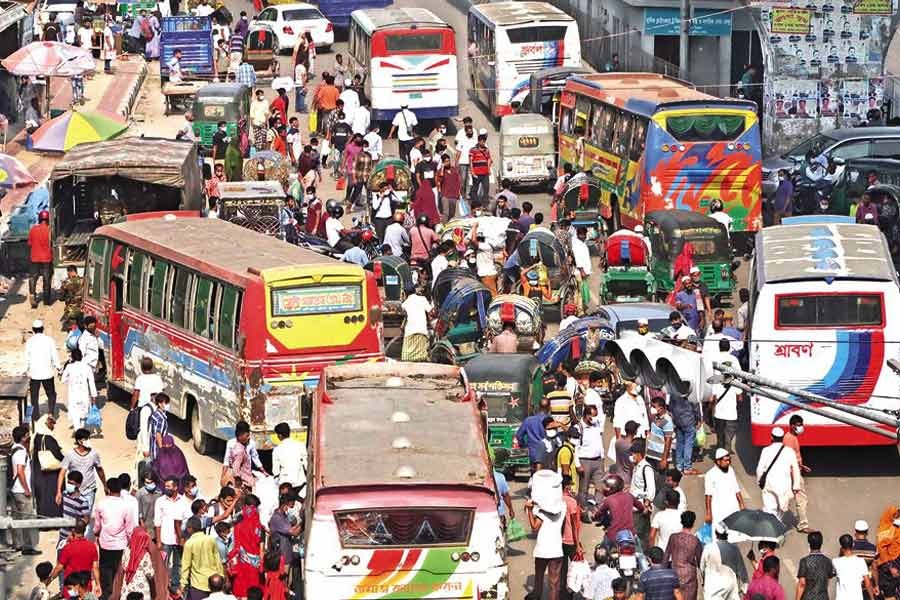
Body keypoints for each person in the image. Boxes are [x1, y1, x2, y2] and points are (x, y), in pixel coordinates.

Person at [94, 476, 137, 596]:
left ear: (108, 489)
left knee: (106, 571)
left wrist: (96, 534)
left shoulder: (101, 504)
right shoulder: (126, 506)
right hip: (121, 545)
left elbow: (97, 526)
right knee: (119, 573)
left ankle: (107, 595)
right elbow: (129, 528)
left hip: (105, 544)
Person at [524, 485, 565, 600]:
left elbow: (534, 527)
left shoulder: (542, 512)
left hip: (542, 549)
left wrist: (529, 510)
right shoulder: (562, 505)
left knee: (539, 580)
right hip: (556, 549)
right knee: (554, 583)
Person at [110, 526, 168, 600]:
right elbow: (150, 573)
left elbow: (123, 568)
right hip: (142, 589)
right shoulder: (145, 555)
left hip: (127, 589)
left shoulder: (127, 551)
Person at [57, 427, 106, 515]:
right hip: (74, 491)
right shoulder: (70, 455)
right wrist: (58, 491)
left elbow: (100, 470)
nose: (88, 441)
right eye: (86, 439)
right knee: (73, 515)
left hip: (89, 490)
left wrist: (105, 486)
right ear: (79, 441)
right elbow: (62, 473)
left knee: (86, 516)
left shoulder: (94, 454)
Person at [704, 339, 740, 454]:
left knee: (719, 429)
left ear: (719, 347)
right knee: (731, 425)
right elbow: (739, 377)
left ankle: (720, 448)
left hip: (718, 397)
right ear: (729, 348)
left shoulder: (715, 360)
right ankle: (727, 445)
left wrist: (712, 394)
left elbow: (711, 377)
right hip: (731, 395)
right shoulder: (734, 359)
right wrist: (739, 392)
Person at [757, 427, 800, 523]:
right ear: (782, 438)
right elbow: (796, 469)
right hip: (783, 486)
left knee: (769, 510)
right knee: (781, 510)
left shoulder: (766, 450)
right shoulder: (790, 451)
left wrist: (760, 481)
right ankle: (777, 529)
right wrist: (796, 486)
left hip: (769, 484)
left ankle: (770, 531)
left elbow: (760, 469)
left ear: (772, 437)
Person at [10, 425, 39, 555]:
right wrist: (27, 489)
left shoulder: (14, 449)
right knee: (27, 518)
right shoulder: (21, 452)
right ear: (23, 438)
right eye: (27, 435)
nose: (29, 436)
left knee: (16, 518)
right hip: (21, 490)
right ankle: (27, 547)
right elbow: (21, 471)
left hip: (14, 490)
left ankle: (17, 544)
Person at [178, 516, 224, 600]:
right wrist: (221, 576)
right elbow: (218, 560)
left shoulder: (189, 543)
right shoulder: (211, 539)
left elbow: (186, 565)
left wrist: (182, 584)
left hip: (198, 584)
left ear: (190, 528)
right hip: (213, 583)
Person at [155, 476, 187, 590]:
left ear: (176, 487)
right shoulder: (160, 501)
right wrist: (158, 541)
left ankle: (175, 587)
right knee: (164, 564)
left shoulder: (183, 501)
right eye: (165, 486)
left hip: (179, 540)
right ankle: (163, 587)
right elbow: (157, 522)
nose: (166, 488)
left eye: (169, 486)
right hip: (165, 539)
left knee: (178, 564)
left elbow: (186, 520)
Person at [268, 493, 303, 598]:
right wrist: (303, 522)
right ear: (284, 506)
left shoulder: (284, 516)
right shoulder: (277, 518)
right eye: (290, 506)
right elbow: (294, 532)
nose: (291, 509)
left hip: (287, 555)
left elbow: (293, 525)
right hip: (281, 557)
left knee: (288, 582)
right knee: (283, 585)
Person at [51, 522, 101, 593]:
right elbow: (95, 567)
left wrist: (49, 579)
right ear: (84, 530)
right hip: (85, 588)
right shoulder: (92, 547)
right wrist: (98, 584)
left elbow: (59, 567)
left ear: (73, 531)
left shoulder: (67, 548)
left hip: (71, 589)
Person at [229, 501, 265, 598]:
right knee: (254, 590)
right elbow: (262, 550)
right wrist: (261, 566)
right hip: (255, 565)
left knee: (241, 589)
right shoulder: (259, 528)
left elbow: (234, 548)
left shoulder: (237, 527)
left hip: (241, 564)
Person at [25, 319, 60, 422]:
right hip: (47, 373)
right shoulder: (49, 340)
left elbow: (27, 358)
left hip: (34, 374)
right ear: (42, 329)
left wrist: (26, 370)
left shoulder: (29, 342)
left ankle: (35, 416)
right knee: (51, 394)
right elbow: (54, 355)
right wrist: (58, 367)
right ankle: (51, 413)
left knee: (34, 396)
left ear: (33, 330)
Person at [664, 511, 703, 600]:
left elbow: (665, 558)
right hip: (690, 577)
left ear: (681, 522)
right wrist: (704, 579)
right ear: (693, 523)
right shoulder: (695, 540)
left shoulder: (673, 537)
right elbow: (701, 562)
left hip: (674, 575)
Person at [782, 415, 812, 532]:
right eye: (799, 425)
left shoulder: (792, 437)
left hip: (795, 471)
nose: (801, 427)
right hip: (793, 474)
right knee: (801, 499)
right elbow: (789, 459)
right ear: (792, 426)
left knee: (788, 499)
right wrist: (794, 477)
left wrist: (802, 466)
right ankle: (803, 525)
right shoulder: (789, 439)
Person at [596, 473, 645, 542]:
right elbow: (641, 507)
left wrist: (594, 516)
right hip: (630, 534)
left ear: (610, 488)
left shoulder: (608, 500)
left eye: (606, 486)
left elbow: (599, 513)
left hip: (613, 535)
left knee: (601, 550)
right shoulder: (629, 496)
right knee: (638, 549)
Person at [32, 414, 64, 518]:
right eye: (51, 424)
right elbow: (57, 454)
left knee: (42, 496)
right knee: (52, 495)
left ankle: (43, 520)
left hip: (39, 471)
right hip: (51, 472)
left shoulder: (36, 436)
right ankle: (53, 520)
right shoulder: (48, 438)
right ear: (46, 424)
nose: (53, 426)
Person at [704, 448, 744, 529]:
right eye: (725, 461)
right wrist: (709, 513)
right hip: (719, 512)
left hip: (733, 509)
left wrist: (741, 504)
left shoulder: (731, 470)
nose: (728, 462)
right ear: (718, 461)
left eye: (729, 460)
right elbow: (708, 495)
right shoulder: (710, 474)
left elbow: (736, 488)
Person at [574, 404, 604, 509]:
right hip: (584, 461)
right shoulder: (578, 428)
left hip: (598, 460)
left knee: (600, 487)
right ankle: (583, 509)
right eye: (593, 416)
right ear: (586, 416)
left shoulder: (597, 424)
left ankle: (599, 509)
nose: (595, 418)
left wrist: (602, 456)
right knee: (584, 488)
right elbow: (575, 448)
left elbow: (599, 440)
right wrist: (578, 465)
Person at [699, 531, 741, 600]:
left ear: (716, 534)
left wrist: (703, 581)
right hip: (730, 588)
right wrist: (743, 587)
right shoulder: (734, 548)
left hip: (713, 588)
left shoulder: (708, 547)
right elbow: (741, 570)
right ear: (727, 534)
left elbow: (702, 566)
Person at [63, 348, 96, 431]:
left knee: (75, 417)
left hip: (73, 396)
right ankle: (82, 433)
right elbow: (92, 384)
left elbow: (63, 380)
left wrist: (70, 380)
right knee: (83, 416)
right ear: (81, 357)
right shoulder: (87, 367)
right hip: (84, 396)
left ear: (72, 357)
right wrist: (93, 397)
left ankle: (79, 435)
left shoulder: (69, 367)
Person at [796, 530, 835, 600]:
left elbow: (802, 584)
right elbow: (827, 582)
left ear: (809, 543)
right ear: (821, 543)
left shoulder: (804, 561)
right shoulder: (828, 561)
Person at [630, 440, 656, 546]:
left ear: (639, 454)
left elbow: (651, 489)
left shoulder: (646, 468)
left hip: (641, 508)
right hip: (634, 507)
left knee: (641, 536)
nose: (632, 456)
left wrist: (646, 504)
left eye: (633, 454)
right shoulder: (637, 467)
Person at [515, 397, 551, 472]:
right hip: (547, 454)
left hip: (533, 454)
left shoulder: (528, 420)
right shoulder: (550, 421)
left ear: (539, 407)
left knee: (534, 477)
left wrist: (524, 445)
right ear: (549, 408)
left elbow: (519, 435)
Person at [272, 422, 307, 492]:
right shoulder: (300, 445)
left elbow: (276, 471)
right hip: (300, 482)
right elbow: (306, 465)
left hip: (286, 484)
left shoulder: (277, 450)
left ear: (279, 435)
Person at [401, 284, 432, 362]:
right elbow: (431, 311)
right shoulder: (423, 299)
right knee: (422, 357)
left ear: (405, 293)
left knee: (406, 357)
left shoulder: (405, 303)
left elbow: (404, 315)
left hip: (410, 332)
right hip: (422, 331)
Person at [28, 210, 53, 309]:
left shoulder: (33, 229)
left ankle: (32, 294)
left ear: (39, 219)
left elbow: (29, 243)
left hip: (34, 258)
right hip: (47, 259)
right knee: (46, 278)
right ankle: (46, 300)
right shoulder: (50, 230)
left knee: (33, 277)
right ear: (48, 219)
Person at [469, 130, 492, 206]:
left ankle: (485, 204)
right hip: (476, 173)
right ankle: (475, 203)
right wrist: (472, 171)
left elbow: (489, 159)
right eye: (481, 141)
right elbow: (471, 161)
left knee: (486, 188)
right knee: (474, 189)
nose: (483, 143)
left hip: (485, 173)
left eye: (484, 141)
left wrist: (488, 169)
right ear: (478, 141)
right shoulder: (473, 150)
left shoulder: (487, 150)